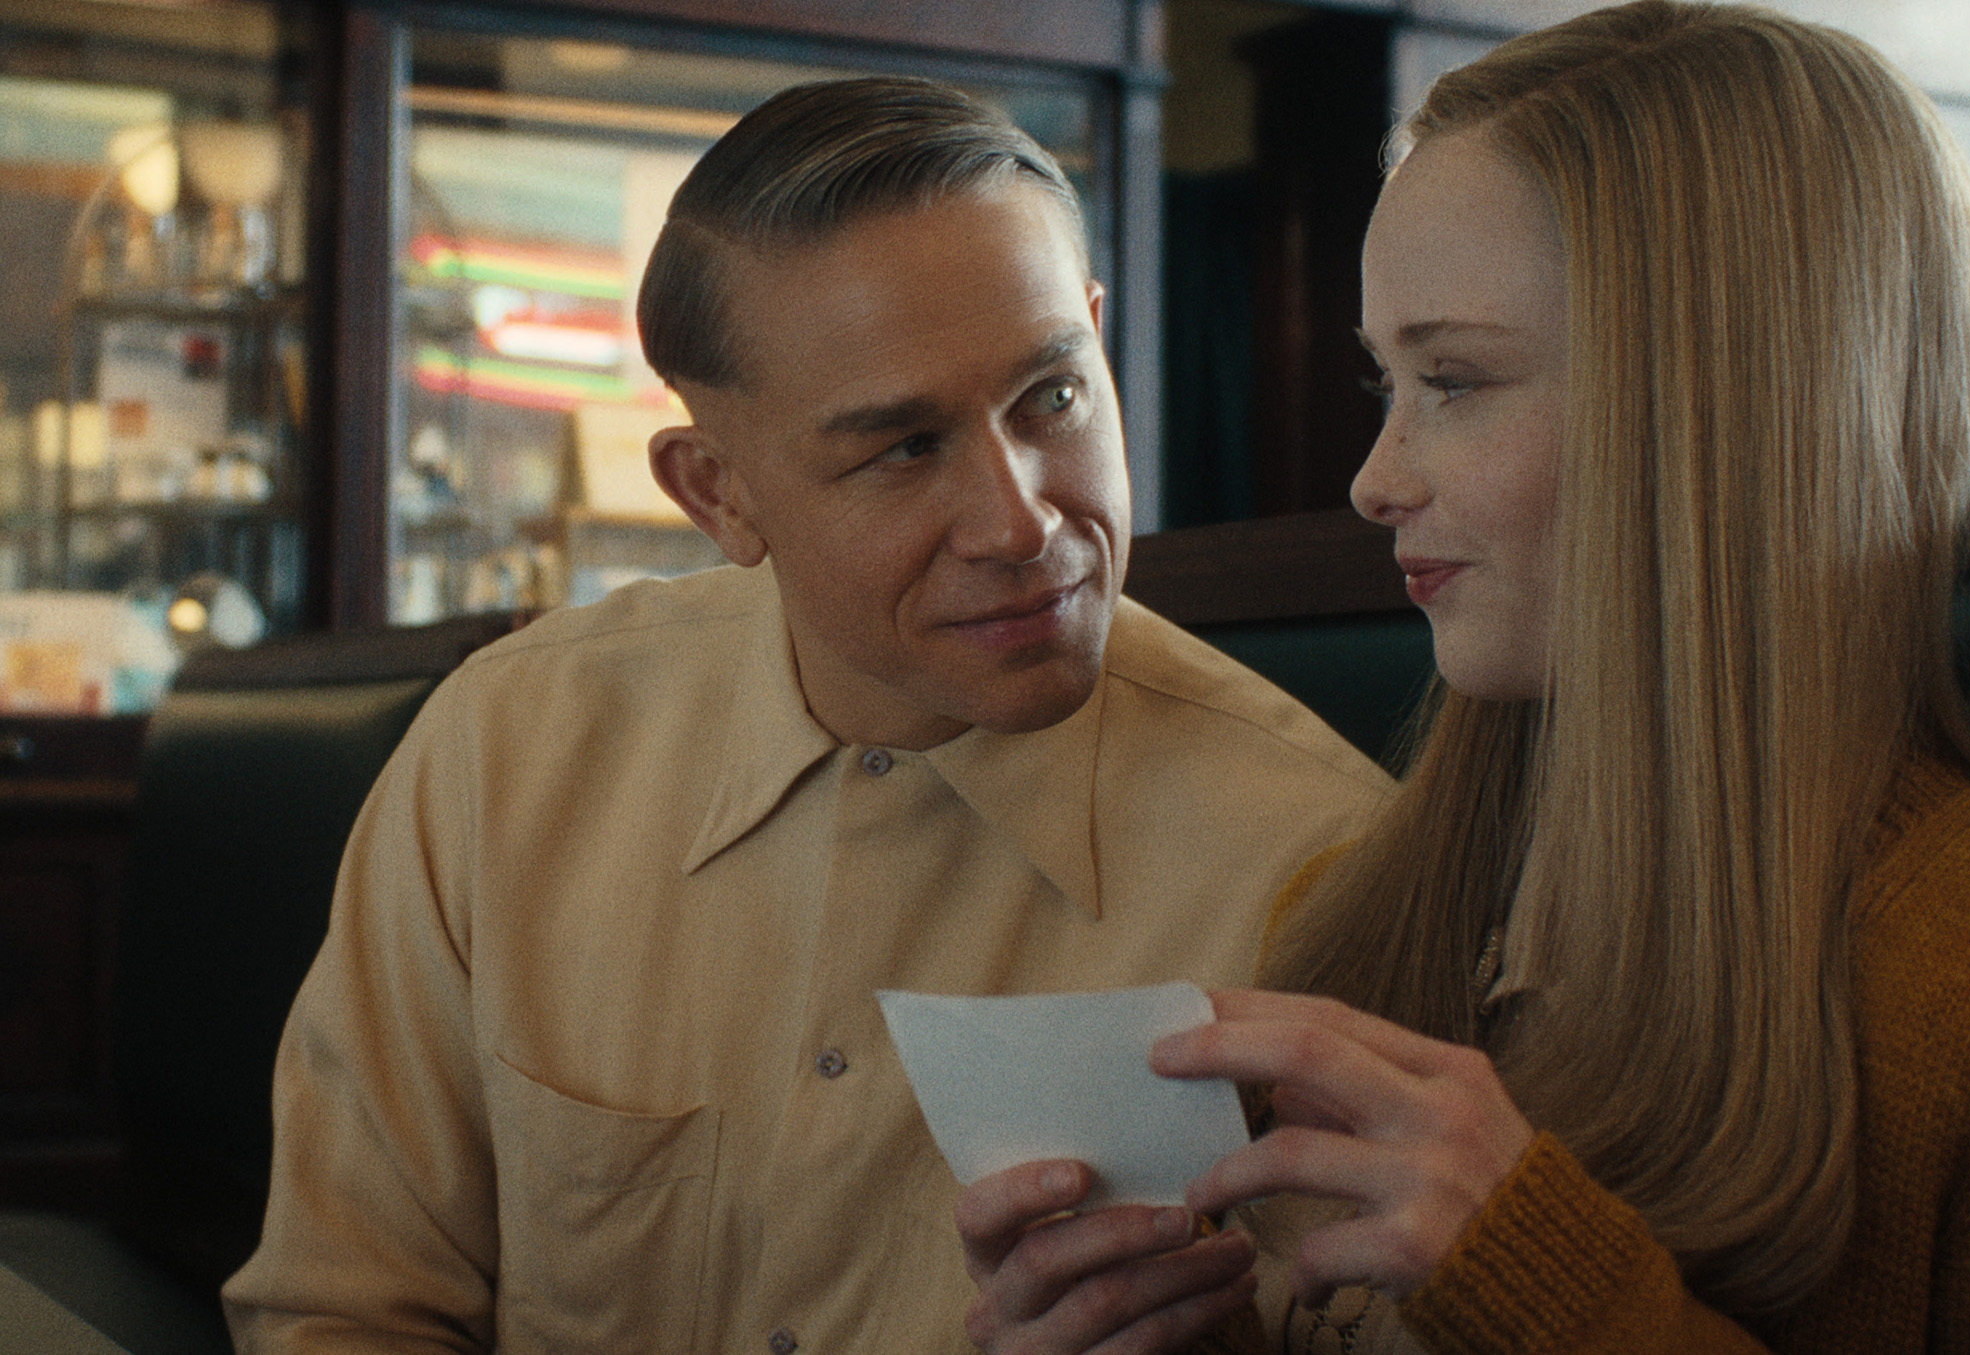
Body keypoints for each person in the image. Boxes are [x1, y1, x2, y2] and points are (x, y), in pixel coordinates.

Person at [220, 78, 1391, 1352]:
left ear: (1100, 343)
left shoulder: (1326, 862)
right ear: (717, 492)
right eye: (900, 448)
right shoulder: (505, 755)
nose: (1021, 524)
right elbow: (344, 1308)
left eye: (1052, 396)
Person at [954, 3, 1970, 1352]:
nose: (1374, 480)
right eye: (1386, 380)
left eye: (1453, 377)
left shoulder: (1963, 978)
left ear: (1716, 415)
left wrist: (1532, 1267)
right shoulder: (1351, 908)